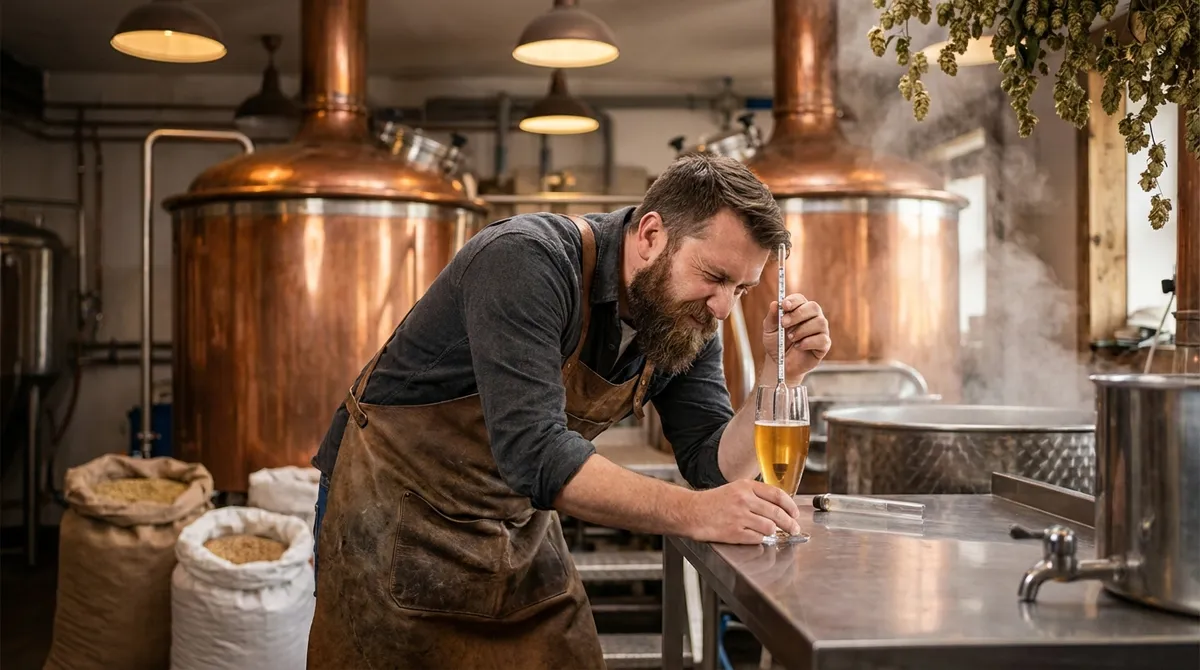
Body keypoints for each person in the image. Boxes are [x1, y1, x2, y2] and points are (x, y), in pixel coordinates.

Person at [305, 152, 831, 669]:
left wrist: (779, 374)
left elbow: (711, 464)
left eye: (740, 288)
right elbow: (535, 453)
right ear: (651, 236)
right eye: (714, 276)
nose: (722, 306)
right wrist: (697, 513)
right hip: (394, 514)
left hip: (515, 525)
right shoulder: (525, 260)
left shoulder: (687, 321)